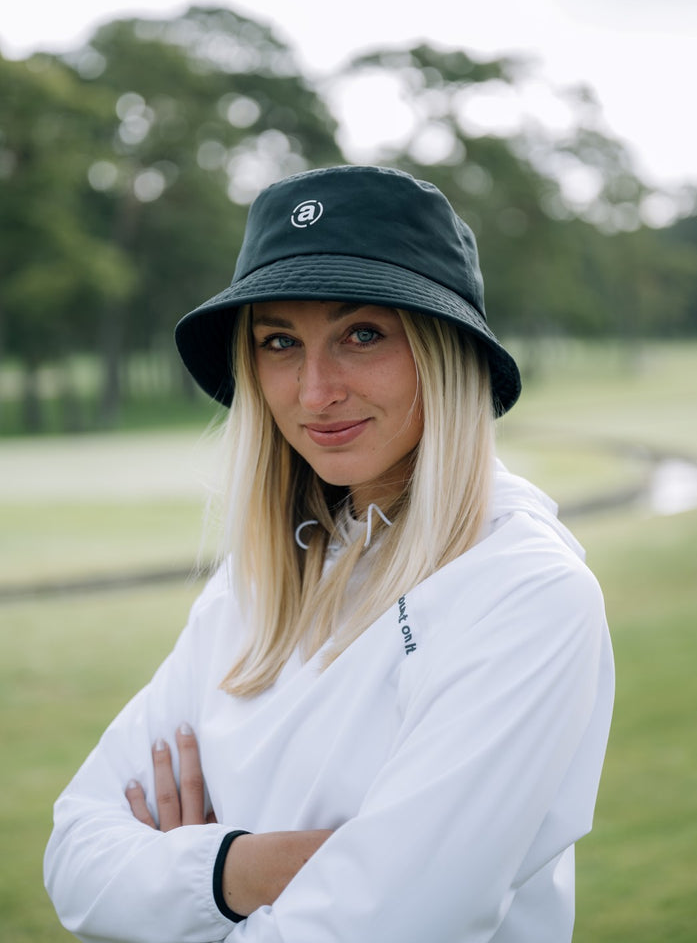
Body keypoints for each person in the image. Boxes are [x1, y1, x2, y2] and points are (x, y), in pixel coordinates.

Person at [44, 165, 614, 942]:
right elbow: (77, 857)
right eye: (279, 342)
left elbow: (384, 926)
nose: (314, 392)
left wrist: (175, 883)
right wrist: (239, 868)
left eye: (363, 334)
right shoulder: (256, 583)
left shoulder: (524, 592)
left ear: (443, 353)